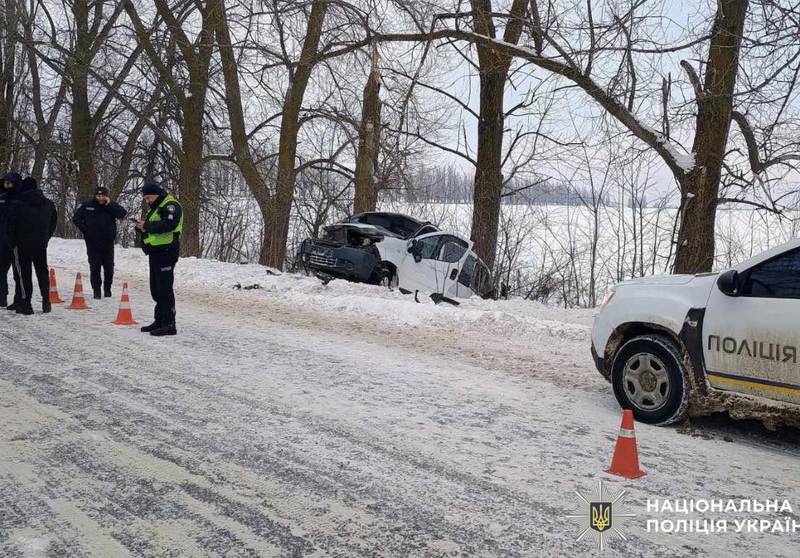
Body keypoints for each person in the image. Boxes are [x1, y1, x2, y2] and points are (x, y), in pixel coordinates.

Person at [135, 181, 183, 336]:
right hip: (155, 252)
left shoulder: (170, 205)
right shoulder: (156, 207)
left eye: (148, 198)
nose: (147, 201)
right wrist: (141, 227)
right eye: (145, 198)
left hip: (167, 251)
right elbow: (153, 227)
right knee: (156, 289)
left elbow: (168, 225)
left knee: (165, 288)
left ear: (156, 194)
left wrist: (146, 226)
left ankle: (170, 324)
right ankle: (160, 321)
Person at [6, 176, 57, 315]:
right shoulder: (48, 203)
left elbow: (11, 225)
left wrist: (12, 242)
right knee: (42, 272)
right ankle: (46, 301)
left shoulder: (18, 203)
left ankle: (26, 303)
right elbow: (53, 222)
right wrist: (46, 237)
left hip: (21, 244)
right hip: (41, 244)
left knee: (24, 274)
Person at [72, 186, 128, 299]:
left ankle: (107, 289)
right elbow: (76, 219)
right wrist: (86, 230)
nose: (100, 198)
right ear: (95, 195)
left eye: (103, 196)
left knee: (109, 266)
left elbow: (122, 213)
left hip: (108, 241)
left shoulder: (111, 205)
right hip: (92, 241)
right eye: (98, 196)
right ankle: (96, 290)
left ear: (106, 196)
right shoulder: (87, 205)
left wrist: (109, 204)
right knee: (95, 266)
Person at [0, 172, 21, 308]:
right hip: (2, 238)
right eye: (5, 183)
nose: (7, 185)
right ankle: (2, 297)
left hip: (17, 240)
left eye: (9, 183)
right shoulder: (1, 196)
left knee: (18, 272)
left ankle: (19, 300)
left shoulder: (21, 198)